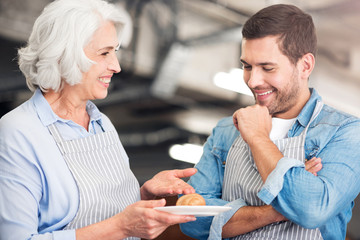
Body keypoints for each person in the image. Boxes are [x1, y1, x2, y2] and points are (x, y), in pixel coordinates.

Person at [0, 0, 197, 239]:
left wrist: (144, 196)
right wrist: (122, 226)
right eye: (104, 53)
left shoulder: (100, 123)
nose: (116, 66)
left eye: (116, 52)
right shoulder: (17, 132)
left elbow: (109, 213)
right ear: (64, 54)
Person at [180, 4, 360, 240]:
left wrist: (257, 138)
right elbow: (191, 220)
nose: (253, 81)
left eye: (267, 67)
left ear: (305, 65)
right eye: (247, 66)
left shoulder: (345, 132)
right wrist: (276, 211)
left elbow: (311, 211)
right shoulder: (226, 130)